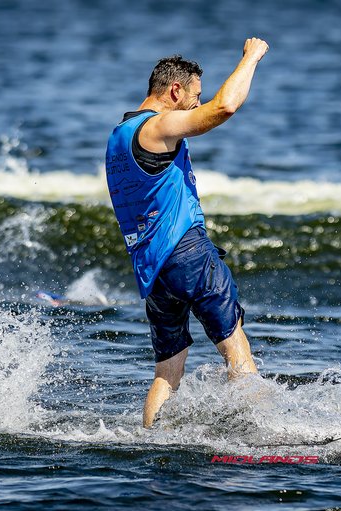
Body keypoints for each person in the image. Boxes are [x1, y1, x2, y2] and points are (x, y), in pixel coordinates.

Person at [105, 38, 269, 428]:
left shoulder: (119, 136)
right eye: (194, 95)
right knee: (236, 348)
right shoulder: (157, 126)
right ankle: (263, 431)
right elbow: (224, 107)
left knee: (167, 370)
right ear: (174, 91)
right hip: (187, 253)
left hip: (153, 270)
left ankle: (151, 440)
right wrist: (251, 57)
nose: (197, 103)